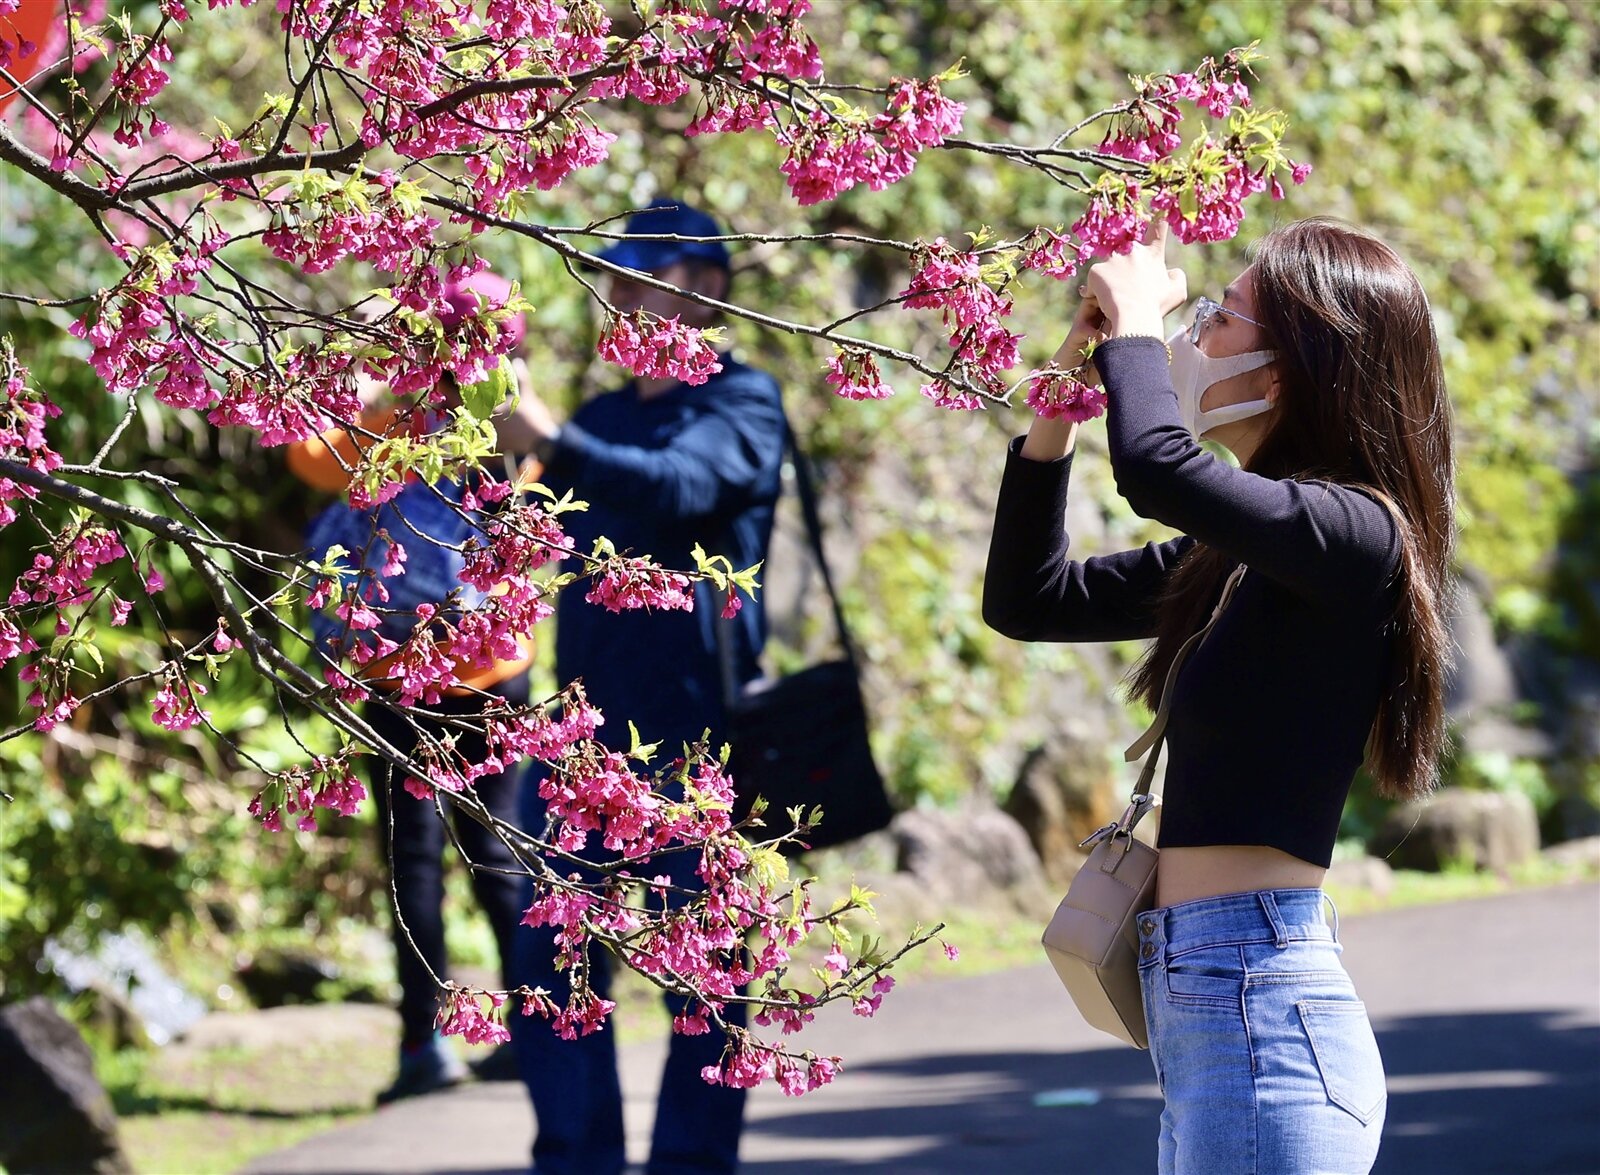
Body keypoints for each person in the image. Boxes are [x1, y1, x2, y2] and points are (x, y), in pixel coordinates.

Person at [983, 217, 1454, 1174]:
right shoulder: (1242, 559)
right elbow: (1031, 599)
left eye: (1217, 319)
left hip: (1264, 1018)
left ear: (1283, 373)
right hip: (1216, 1017)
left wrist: (1137, 331)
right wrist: (1064, 399)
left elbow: (1156, 465)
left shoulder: (1357, 536)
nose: (1190, 338)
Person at [494, 198, 787, 1175]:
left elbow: (678, 487)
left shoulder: (742, 403)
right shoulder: (605, 412)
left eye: (636, 279)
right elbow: (551, 512)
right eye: (614, 281)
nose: (618, 299)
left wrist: (552, 441)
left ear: (702, 288)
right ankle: (574, 1161)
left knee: (704, 980)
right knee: (550, 965)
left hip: (694, 749)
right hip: (578, 747)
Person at [288, 272, 534, 1102]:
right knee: (493, 851)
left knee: (420, 860)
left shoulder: (401, 419)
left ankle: (428, 1045)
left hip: (405, 668)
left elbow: (310, 456)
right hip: (484, 663)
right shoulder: (505, 412)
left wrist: (369, 370)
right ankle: (531, 1026)